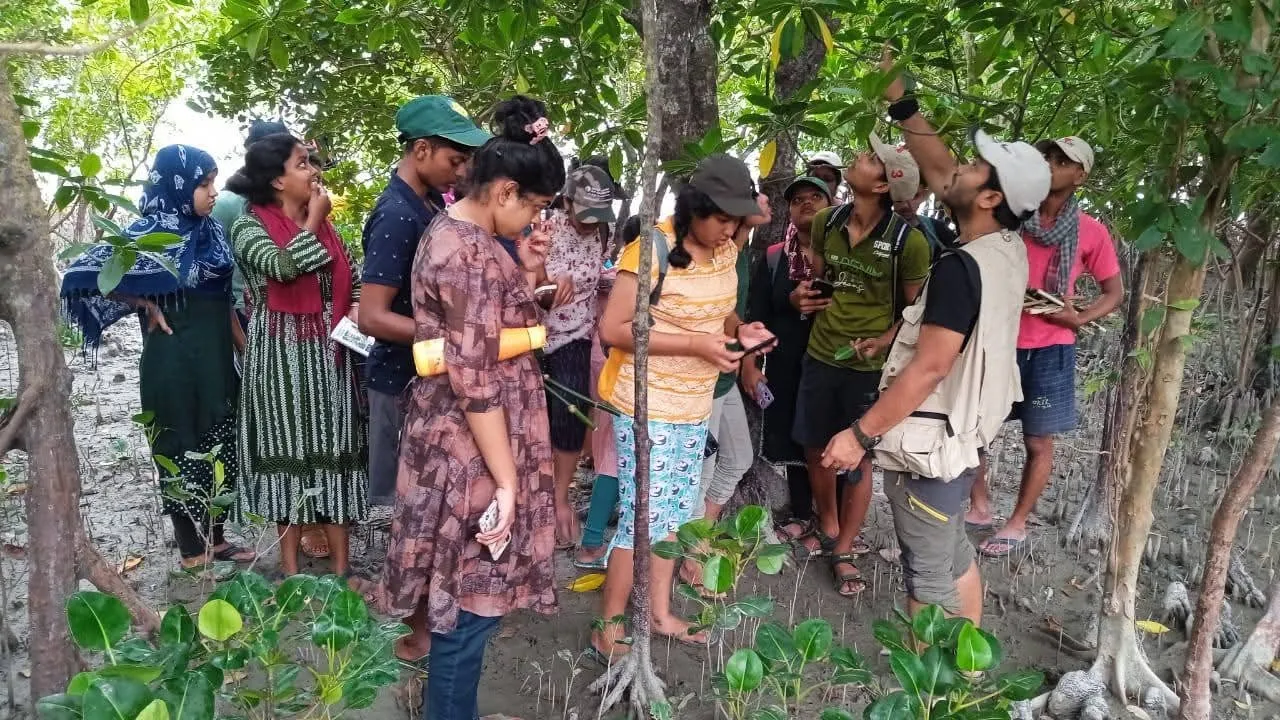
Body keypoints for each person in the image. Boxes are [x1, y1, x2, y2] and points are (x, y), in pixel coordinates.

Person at [820, 48, 1051, 623]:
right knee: (952, 556)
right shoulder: (1004, 248)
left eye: (975, 168)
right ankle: (970, 665)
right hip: (966, 438)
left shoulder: (959, 269)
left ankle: (932, 678)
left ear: (990, 198)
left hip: (933, 448)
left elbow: (930, 367)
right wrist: (902, 103)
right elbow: (944, 170)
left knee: (925, 577)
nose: (959, 169)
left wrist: (860, 435)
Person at [372, 96, 561, 719]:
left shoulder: (468, 236)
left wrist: (526, 277)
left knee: (470, 592)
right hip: (472, 441)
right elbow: (475, 378)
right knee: (470, 600)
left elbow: (483, 329)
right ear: (505, 191)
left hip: (479, 430)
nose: (535, 219)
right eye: (534, 206)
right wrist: (507, 483)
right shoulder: (464, 251)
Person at [591, 154, 771, 658]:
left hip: (694, 405)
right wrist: (695, 345)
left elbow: (720, 311)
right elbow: (614, 329)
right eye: (722, 219)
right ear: (693, 208)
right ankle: (608, 627)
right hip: (648, 406)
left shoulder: (726, 248)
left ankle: (659, 612)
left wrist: (741, 331)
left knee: (669, 516)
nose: (730, 230)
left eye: (736, 220)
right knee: (641, 521)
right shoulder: (650, 248)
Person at [60, 144, 256, 570]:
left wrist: (245, 349)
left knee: (220, 439)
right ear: (177, 186)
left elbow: (224, 301)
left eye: (213, 182)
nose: (212, 192)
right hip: (173, 361)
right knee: (179, 442)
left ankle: (216, 539)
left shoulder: (212, 233)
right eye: (204, 184)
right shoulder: (149, 235)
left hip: (215, 360)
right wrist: (142, 301)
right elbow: (80, 274)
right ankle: (192, 552)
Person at [790, 132, 931, 598]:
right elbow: (821, 279)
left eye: (873, 159)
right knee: (815, 446)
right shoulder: (826, 222)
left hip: (869, 367)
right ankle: (829, 526)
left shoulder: (909, 243)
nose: (861, 156)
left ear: (884, 185)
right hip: (820, 352)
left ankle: (845, 547)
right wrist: (803, 298)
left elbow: (915, 311)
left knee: (859, 457)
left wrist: (883, 340)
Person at [968, 136, 1124, 558]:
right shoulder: (1011, 216)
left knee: (1038, 442)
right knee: (974, 430)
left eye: (1061, 160)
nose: (1050, 164)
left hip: (1050, 349)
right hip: (998, 340)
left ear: (1080, 175)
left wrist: (1080, 318)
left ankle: (1017, 523)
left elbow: (1114, 292)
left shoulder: (1091, 231)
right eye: (1046, 157)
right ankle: (979, 506)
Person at [227, 133, 367, 578]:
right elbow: (283, 268)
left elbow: (354, 277)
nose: (313, 171)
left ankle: (342, 571)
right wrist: (314, 221)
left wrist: (356, 306)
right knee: (285, 455)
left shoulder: (325, 226)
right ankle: (290, 573)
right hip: (278, 361)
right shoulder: (247, 227)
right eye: (302, 164)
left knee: (336, 453)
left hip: (330, 356)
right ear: (277, 180)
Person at [359, 96, 491, 508]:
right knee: (400, 503)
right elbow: (372, 316)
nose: (462, 171)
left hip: (426, 372)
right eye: (455, 160)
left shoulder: (428, 205)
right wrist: (451, 339)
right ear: (421, 150)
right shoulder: (396, 215)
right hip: (398, 378)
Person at [743, 176, 834, 542]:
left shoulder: (845, 255)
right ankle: (802, 513)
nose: (806, 203)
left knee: (834, 442)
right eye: (797, 200)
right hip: (787, 365)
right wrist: (750, 367)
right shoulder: (773, 258)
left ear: (832, 204)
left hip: (836, 366)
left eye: (815, 197)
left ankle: (836, 523)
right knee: (797, 439)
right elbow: (756, 316)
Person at [543, 164, 615, 547]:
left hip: (578, 334)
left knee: (571, 416)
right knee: (539, 419)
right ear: (567, 202)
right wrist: (548, 284)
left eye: (596, 217)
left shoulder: (604, 230)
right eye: (584, 215)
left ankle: (560, 498)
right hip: (537, 336)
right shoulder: (545, 227)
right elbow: (523, 278)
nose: (590, 225)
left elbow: (595, 275)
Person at [573, 216, 638, 571]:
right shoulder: (620, 278)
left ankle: (599, 534)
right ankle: (592, 542)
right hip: (616, 371)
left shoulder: (606, 274)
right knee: (614, 454)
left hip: (603, 366)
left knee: (610, 452)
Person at [894, 179, 958, 257]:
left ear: (923, 196)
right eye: (899, 199)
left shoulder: (937, 228)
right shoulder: (882, 227)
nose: (906, 205)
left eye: (914, 196)